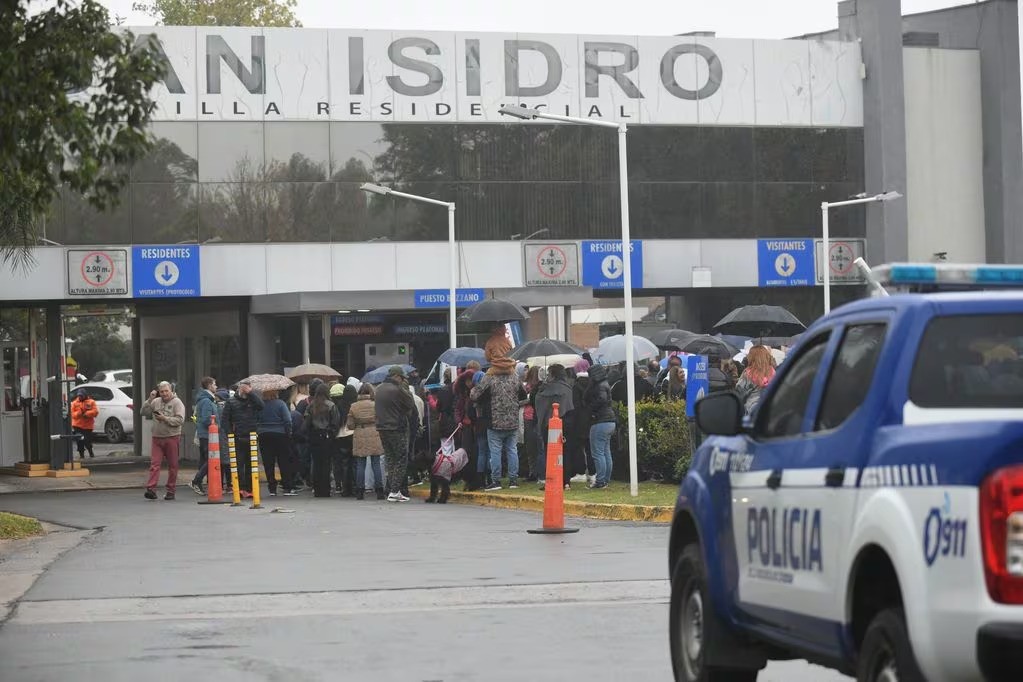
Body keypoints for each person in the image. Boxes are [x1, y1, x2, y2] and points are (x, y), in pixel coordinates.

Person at [471, 361, 527, 492]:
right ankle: (513, 480)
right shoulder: (515, 377)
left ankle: (496, 480)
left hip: (494, 421)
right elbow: (523, 394)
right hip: (512, 420)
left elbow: (475, 395)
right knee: (512, 450)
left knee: (495, 452)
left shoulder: (490, 377)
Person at [375, 366, 418, 502]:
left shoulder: (379, 388)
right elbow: (410, 403)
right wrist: (405, 389)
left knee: (390, 459)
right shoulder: (398, 389)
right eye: (402, 378)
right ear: (397, 376)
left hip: (382, 428)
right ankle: (395, 491)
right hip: (396, 427)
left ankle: (391, 489)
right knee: (400, 459)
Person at [140, 381, 186, 500]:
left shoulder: (177, 402)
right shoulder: (156, 401)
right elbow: (143, 412)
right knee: (154, 464)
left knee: (173, 465)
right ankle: (151, 489)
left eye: (166, 391)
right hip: (157, 438)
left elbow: (180, 420)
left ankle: (171, 490)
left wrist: (164, 418)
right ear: (158, 392)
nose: (164, 394)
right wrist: (149, 400)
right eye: (162, 391)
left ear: (171, 390)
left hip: (172, 437)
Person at [534, 364, 575, 490]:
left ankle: (552, 480)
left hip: (550, 424)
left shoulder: (547, 389)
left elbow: (540, 402)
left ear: (553, 374)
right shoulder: (568, 388)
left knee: (551, 453)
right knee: (565, 452)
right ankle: (566, 481)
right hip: (567, 422)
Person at [221, 379, 264, 497]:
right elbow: (225, 420)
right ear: (239, 388)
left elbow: (261, 406)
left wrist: (251, 393)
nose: (245, 390)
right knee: (239, 465)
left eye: (248, 388)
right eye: (243, 387)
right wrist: (231, 434)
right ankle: (240, 488)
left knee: (251, 465)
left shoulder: (253, 400)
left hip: (252, 436)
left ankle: (250, 489)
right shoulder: (231, 401)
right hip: (238, 437)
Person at [348, 383, 386, 500]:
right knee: (376, 463)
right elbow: (381, 420)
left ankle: (360, 491)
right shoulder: (376, 405)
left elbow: (350, 425)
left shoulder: (353, 406)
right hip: (374, 433)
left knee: (360, 464)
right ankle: (379, 491)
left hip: (360, 433)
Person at [303, 383, 340, 497]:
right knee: (326, 464)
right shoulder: (331, 405)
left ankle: (317, 489)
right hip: (327, 436)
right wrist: (332, 434)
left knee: (316, 463)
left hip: (314, 436)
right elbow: (336, 422)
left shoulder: (311, 406)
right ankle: (325, 489)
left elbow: (306, 421)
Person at [258, 389, 297, 497]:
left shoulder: (260, 405)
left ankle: (272, 488)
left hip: (264, 434)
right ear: (276, 393)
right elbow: (288, 420)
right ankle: (287, 487)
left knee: (268, 462)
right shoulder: (281, 404)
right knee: (284, 461)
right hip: (280, 434)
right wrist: (288, 432)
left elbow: (256, 418)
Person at [584, 364, 615, 490]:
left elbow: (601, 399)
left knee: (597, 453)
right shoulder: (606, 383)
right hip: (610, 421)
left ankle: (600, 481)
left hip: (600, 421)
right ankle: (605, 479)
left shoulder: (599, 386)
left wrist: (591, 410)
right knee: (606, 452)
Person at [189, 377, 221, 495]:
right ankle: (196, 481)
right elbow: (208, 419)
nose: (216, 387)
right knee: (211, 460)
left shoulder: (204, 400)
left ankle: (199, 483)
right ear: (209, 386)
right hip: (208, 435)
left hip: (204, 434)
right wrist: (217, 426)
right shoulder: (207, 401)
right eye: (214, 384)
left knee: (204, 460)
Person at [569, 358, 594, 485]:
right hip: (592, 420)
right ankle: (593, 473)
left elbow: (575, 406)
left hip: (579, 422)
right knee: (591, 448)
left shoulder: (576, 386)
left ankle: (581, 472)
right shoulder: (593, 383)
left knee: (578, 448)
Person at [332, 383, 359, 497]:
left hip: (341, 436)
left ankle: (345, 487)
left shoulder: (339, 405)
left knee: (344, 463)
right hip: (354, 435)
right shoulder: (356, 405)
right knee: (355, 463)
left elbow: (336, 421)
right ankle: (354, 486)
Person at [736, 345, 776, 415]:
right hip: (769, 408)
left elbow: (739, 392)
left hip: (751, 409)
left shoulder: (748, 373)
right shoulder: (773, 371)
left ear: (752, 357)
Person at [521, 366, 541, 482]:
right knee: (538, 447)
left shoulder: (526, 387)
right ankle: (537, 471)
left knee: (530, 447)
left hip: (528, 417)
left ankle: (533, 471)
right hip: (538, 417)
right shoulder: (541, 387)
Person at [70, 388, 98, 459]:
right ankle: (81, 455)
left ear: (85, 395)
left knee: (87, 440)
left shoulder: (91, 402)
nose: (80, 397)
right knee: (79, 441)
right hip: (77, 425)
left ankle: (91, 452)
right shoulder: (74, 403)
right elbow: (72, 414)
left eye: (82, 395)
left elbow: (95, 412)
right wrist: (79, 413)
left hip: (88, 426)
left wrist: (87, 414)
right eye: (79, 396)